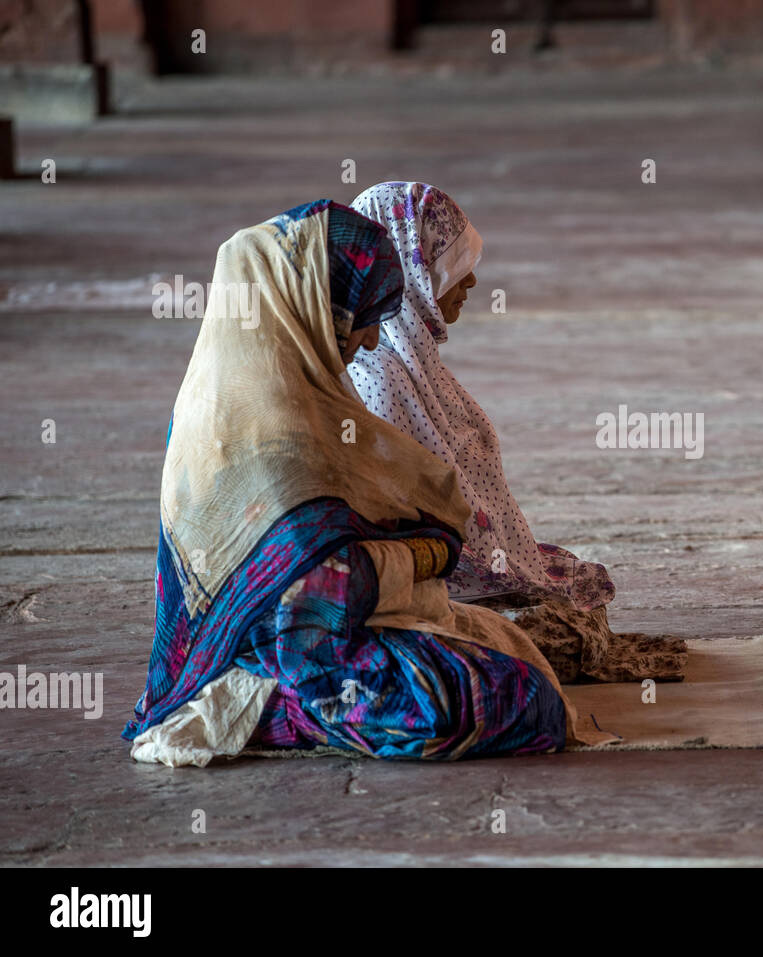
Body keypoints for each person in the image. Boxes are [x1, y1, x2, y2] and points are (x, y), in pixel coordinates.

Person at [124, 199, 610, 765]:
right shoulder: (269, 430)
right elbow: (315, 601)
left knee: (514, 657)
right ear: (310, 304)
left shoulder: (269, 394)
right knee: (510, 699)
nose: (373, 342)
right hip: (283, 660)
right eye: (361, 317)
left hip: (292, 641)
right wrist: (428, 553)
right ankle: (272, 715)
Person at [347, 182, 685, 683]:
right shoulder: (376, 375)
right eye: (451, 264)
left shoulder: (410, 364)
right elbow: (412, 522)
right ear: (410, 273)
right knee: (555, 635)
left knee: (573, 590)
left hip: (455, 568)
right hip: (424, 582)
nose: (472, 282)